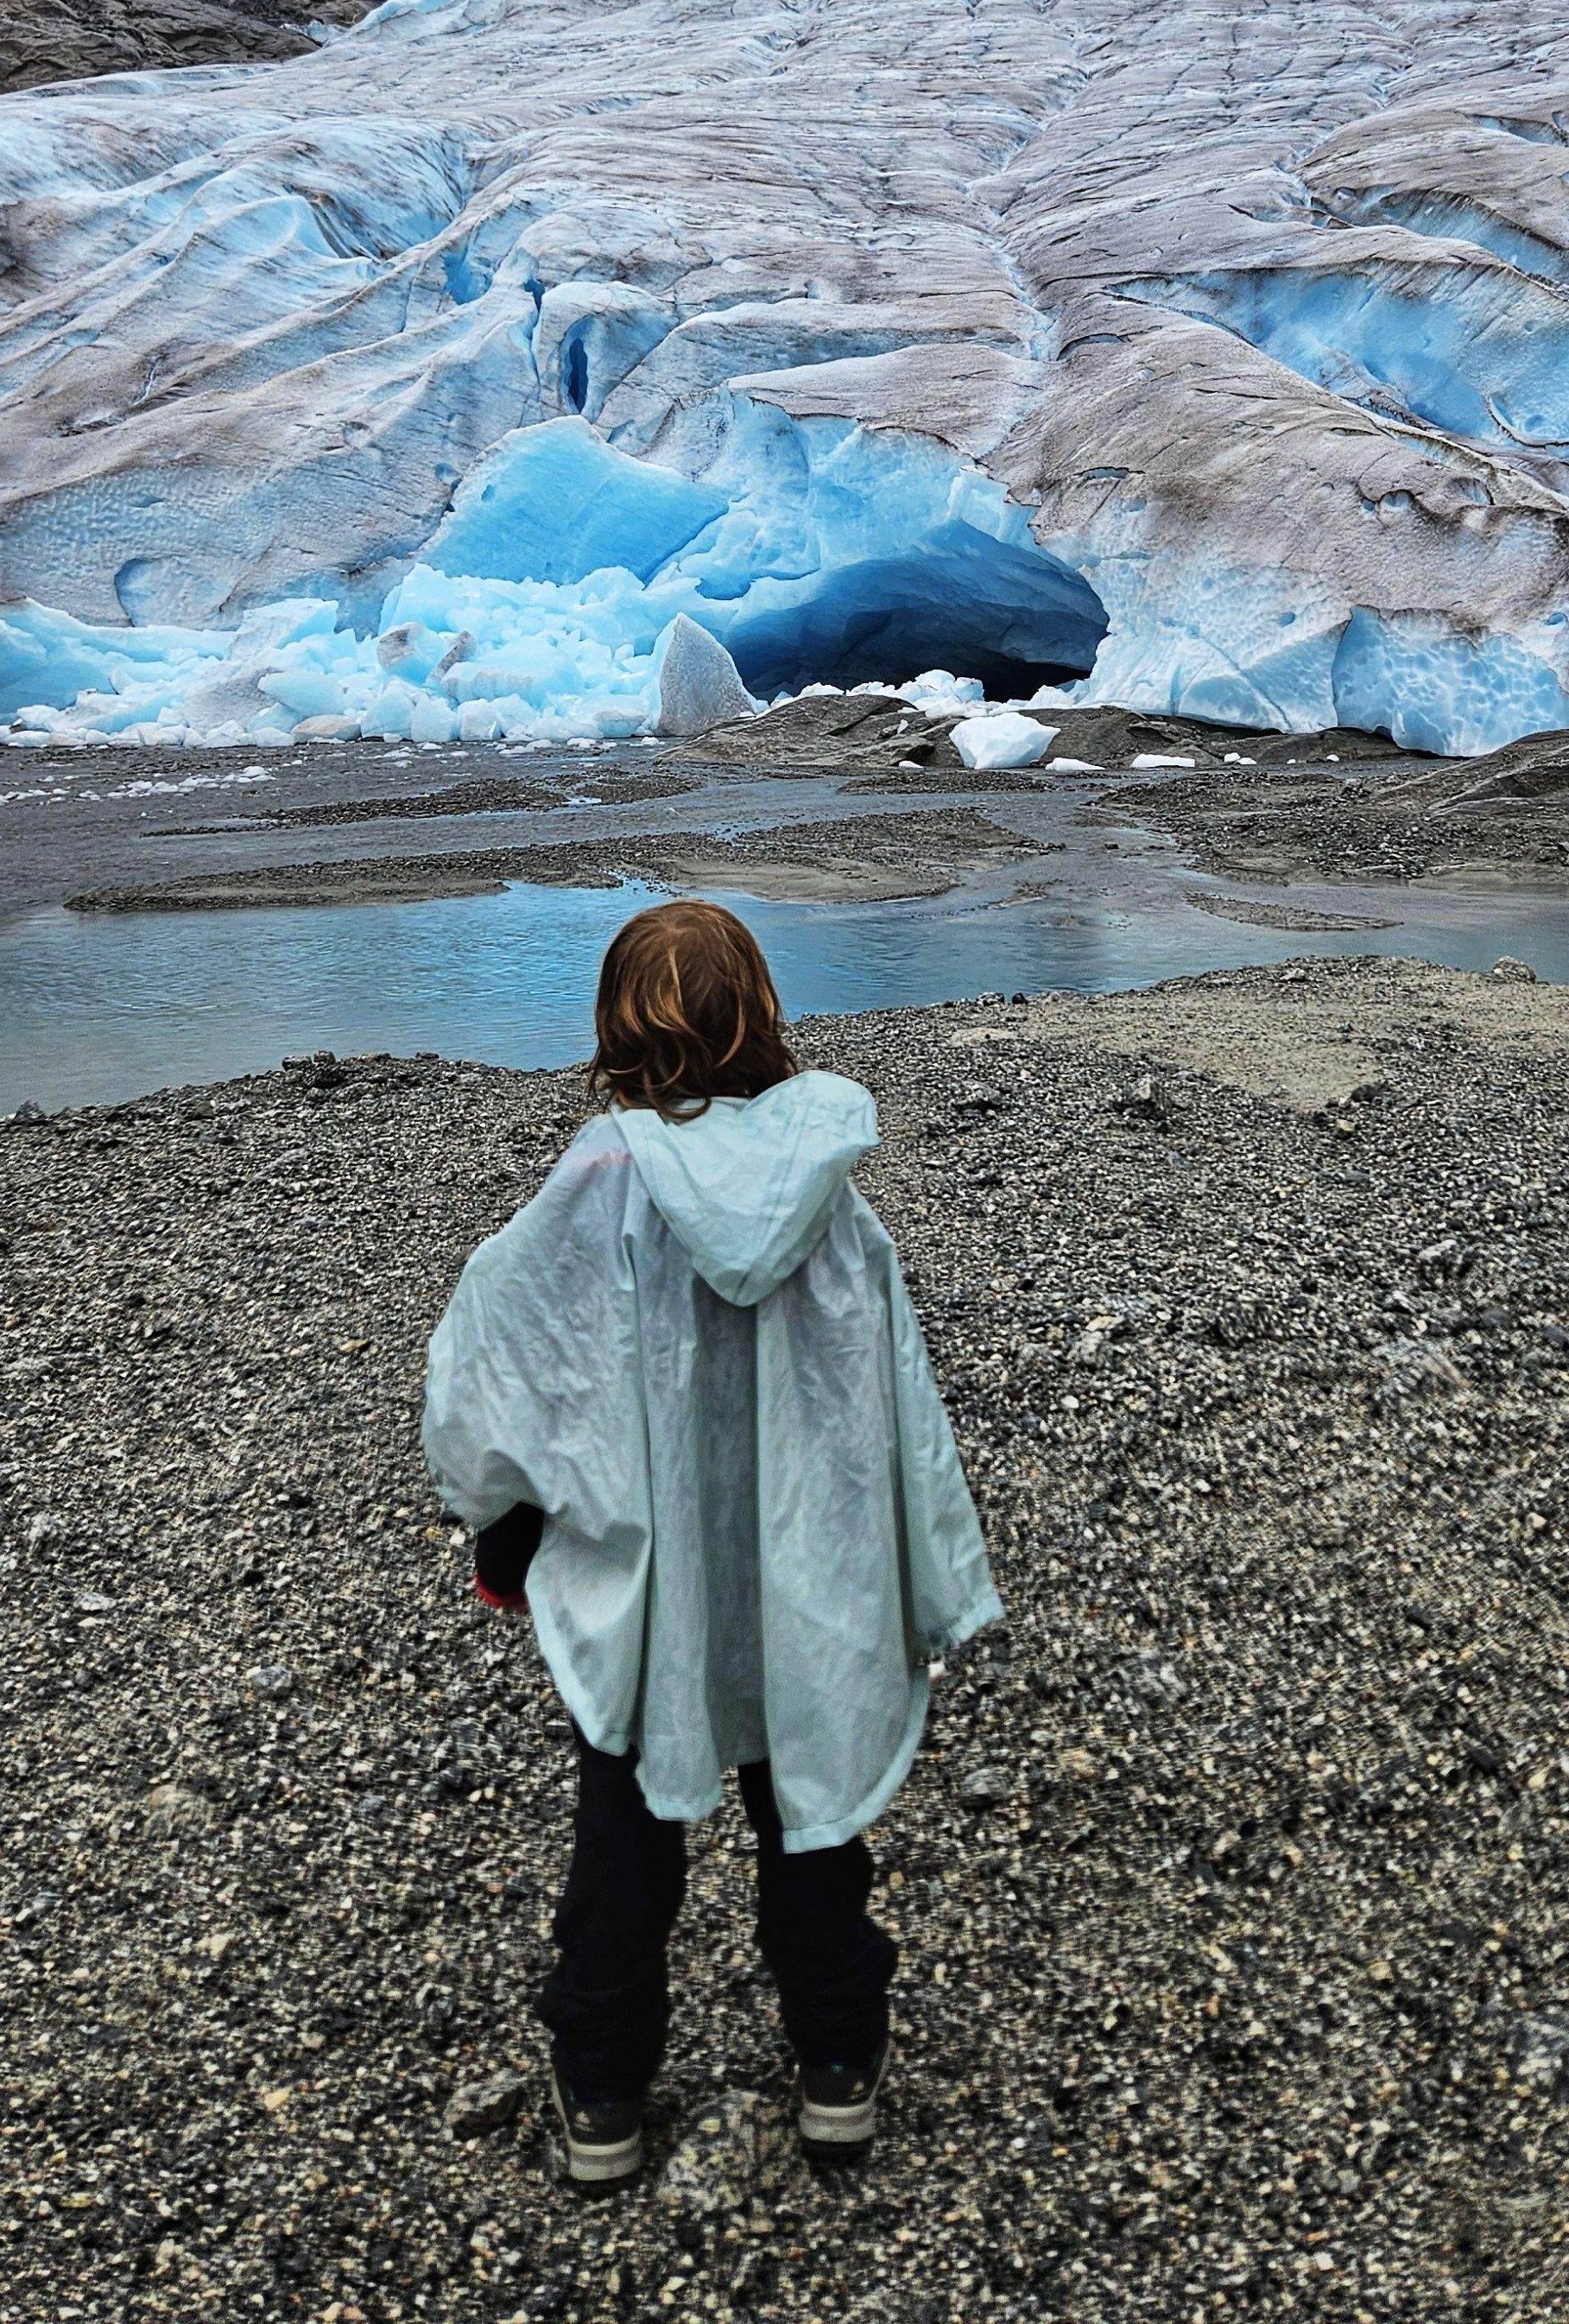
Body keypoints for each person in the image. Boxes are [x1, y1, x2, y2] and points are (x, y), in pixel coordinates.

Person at [421, 896, 1002, 2189]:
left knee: (625, 1841)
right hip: (809, 1577)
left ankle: (608, 2095)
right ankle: (840, 2065)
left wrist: (505, 1539)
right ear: (761, 1019)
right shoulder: (830, 1192)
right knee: (813, 1826)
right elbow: (892, 1400)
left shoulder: (598, 1185)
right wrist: (926, 1574)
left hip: (651, 1595)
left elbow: (511, 1373)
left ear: (616, 1032)